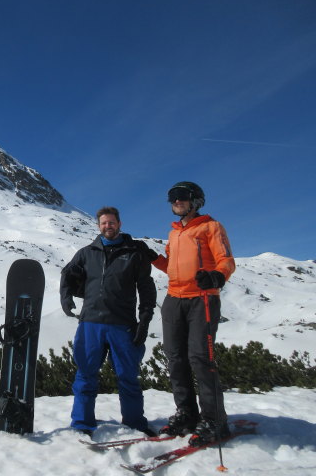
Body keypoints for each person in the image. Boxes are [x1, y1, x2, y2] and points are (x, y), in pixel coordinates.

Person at [150, 181, 236, 447]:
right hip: (174, 299)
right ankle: (187, 414)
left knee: (200, 358)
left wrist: (216, 277)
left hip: (202, 299)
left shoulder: (211, 227)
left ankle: (214, 420)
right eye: (172, 196)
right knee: (176, 359)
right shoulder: (174, 233)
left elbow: (226, 261)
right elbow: (172, 269)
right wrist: (153, 258)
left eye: (182, 196)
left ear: (196, 200)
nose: (176, 201)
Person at [60, 206, 157, 437]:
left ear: (119, 224)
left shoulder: (134, 252)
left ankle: (135, 423)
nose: (108, 226)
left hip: (122, 323)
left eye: (111, 222)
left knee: (128, 376)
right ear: (98, 226)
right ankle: (82, 424)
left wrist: (144, 319)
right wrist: (66, 297)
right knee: (85, 374)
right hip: (90, 323)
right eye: (103, 223)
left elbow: (146, 287)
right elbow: (68, 272)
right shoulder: (87, 252)